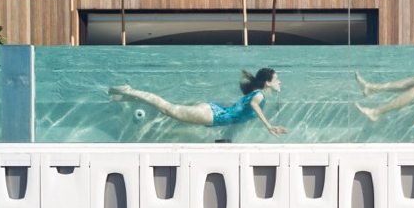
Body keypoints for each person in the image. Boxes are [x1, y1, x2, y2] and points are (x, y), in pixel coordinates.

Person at [109, 68, 287, 136]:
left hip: (213, 111)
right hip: (213, 115)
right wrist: (268, 126)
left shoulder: (258, 93)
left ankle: (125, 96)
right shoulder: (260, 96)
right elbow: (255, 105)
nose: (280, 82)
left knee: (168, 110)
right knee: (167, 108)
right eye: (277, 79)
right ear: (267, 83)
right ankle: (128, 91)